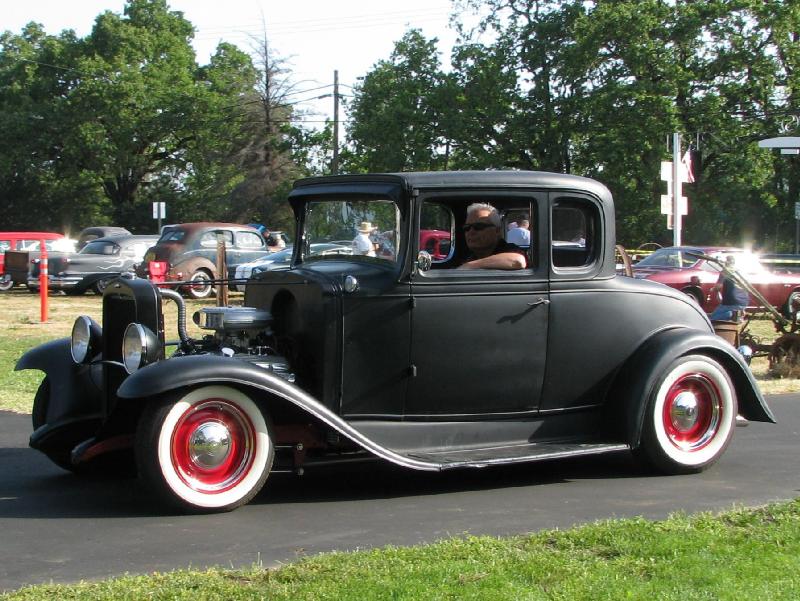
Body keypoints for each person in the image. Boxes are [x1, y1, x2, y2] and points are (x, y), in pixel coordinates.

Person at [457, 203, 527, 270]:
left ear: (497, 231)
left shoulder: (510, 250)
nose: (471, 232)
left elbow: (518, 260)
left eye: (479, 226)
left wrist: (470, 266)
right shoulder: (469, 257)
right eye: (467, 227)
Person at [709, 255, 749, 321]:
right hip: (743, 301)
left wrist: (713, 289)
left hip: (731, 302)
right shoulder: (739, 271)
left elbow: (718, 286)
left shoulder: (725, 271)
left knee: (713, 318)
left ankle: (730, 315)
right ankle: (736, 316)